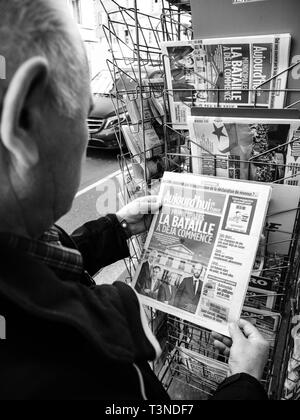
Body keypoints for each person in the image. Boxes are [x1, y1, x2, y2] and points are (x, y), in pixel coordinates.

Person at [0, 0, 270, 400]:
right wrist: (245, 383)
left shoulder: (20, 241)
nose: (85, 137)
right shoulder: (61, 371)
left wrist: (116, 228)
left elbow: (37, 262)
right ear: (26, 119)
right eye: (83, 112)